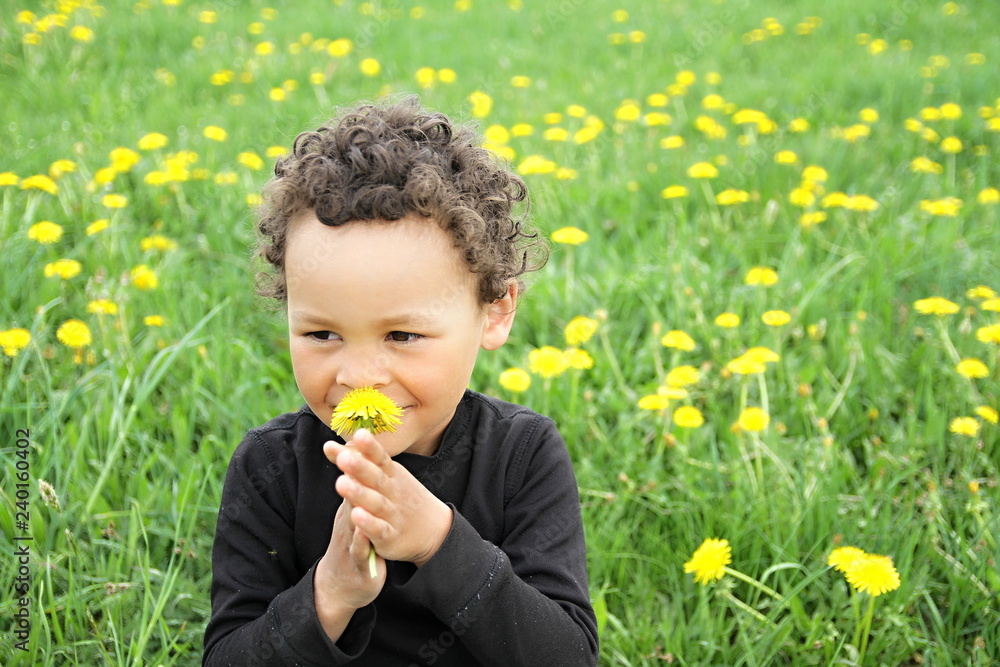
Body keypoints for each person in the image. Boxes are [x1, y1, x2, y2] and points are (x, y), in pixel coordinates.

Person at [203, 96, 599, 666]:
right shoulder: (270, 467)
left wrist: (438, 542)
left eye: (403, 335)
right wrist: (331, 592)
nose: (359, 377)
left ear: (495, 311)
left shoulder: (521, 456)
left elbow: (568, 657)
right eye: (321, 333)